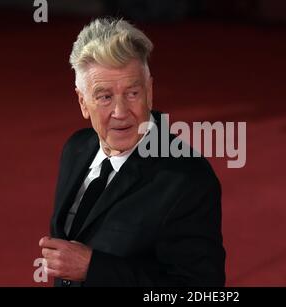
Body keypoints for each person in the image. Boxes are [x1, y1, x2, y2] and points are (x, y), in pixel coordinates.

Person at [39, 17, 226, 287]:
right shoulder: (76, 149)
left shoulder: (187, 180)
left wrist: (94, 268)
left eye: (132, 93)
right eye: (104, 96)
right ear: (82, 102)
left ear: (149, 91)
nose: (120, 112)